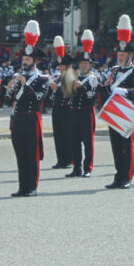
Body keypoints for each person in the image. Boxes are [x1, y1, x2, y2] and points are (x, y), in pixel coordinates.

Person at [99, 15, 134, 189]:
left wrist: (126, 91)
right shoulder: (114, 70)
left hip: (128, 113)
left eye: (123, 54)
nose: (119, 56)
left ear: (129, 55)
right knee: (116, 148)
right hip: (114, 113)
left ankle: (127, 178)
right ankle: (118, 176)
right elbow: (107, 89)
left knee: (127, 148)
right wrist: (100, 86)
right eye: (118, 54)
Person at [9, 20, 48, 196]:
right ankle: (22, 186)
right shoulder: (18, 77)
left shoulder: (42, 79)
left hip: (32, 118)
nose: (24, 62)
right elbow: (6, 99)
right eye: (23, 59)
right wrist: (9, 88)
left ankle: (32, 187)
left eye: (27, 59)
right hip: (18, 118)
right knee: (20, 155)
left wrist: (25, 86)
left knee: (32, 155)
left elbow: (39, 98)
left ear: (35, 61)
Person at [66, 31, 99, 178]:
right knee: (74, 142)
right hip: (74, 112)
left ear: (90, 64)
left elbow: (92, 95)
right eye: (82, 63)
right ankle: (76, 168)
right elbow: (67, 95)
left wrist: (82, 87)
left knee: (88, 142)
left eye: (86, 63)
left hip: (87, 113)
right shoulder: (74, 77)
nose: (84, 65)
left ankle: (88, 168)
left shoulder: (93, 78)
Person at [47, 35, 74, 170]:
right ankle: (61, 159)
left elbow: (69, 93)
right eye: (59, 65)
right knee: (58, 135)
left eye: (62, 65)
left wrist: (56, 89)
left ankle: (69, 159)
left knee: (68, 135)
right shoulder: (57, 76)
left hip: (67, 109)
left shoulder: (71, 76)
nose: (60, 67)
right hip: (56, 108)